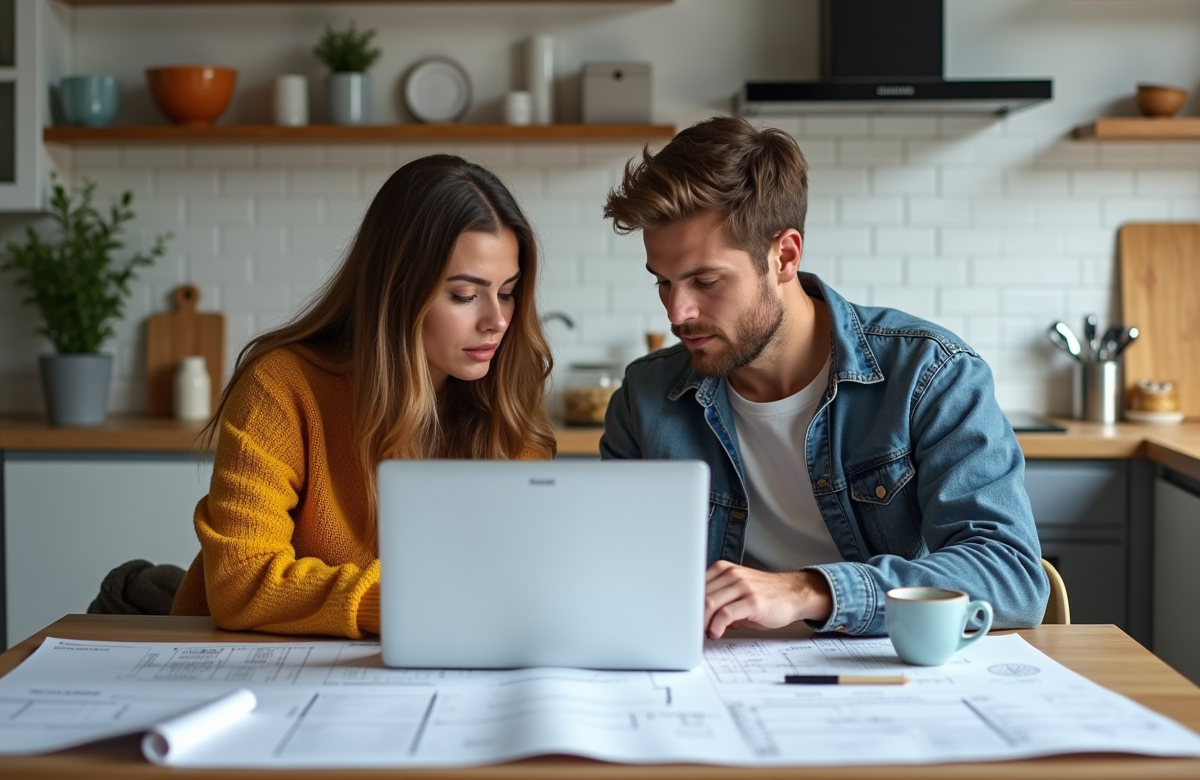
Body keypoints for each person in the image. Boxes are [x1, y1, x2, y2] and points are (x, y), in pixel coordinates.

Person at [600, 117, 1047, 640]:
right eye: (664, 283)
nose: (677, 313)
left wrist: (808, 590)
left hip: (886, 676)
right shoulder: (646, 397)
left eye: (706, 281)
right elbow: (614, 572)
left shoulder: (930, 375)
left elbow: (1011, 576)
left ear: (784, 255)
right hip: (709, 675)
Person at [172, 154, 557, 638]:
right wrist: (407, 604)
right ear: (396, 291)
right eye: (464, 295)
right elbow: (241, 582)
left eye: (507, 291)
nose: (497, 320)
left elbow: (513, 582)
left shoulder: (504, 401)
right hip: (241, 664)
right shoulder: (282, 387)